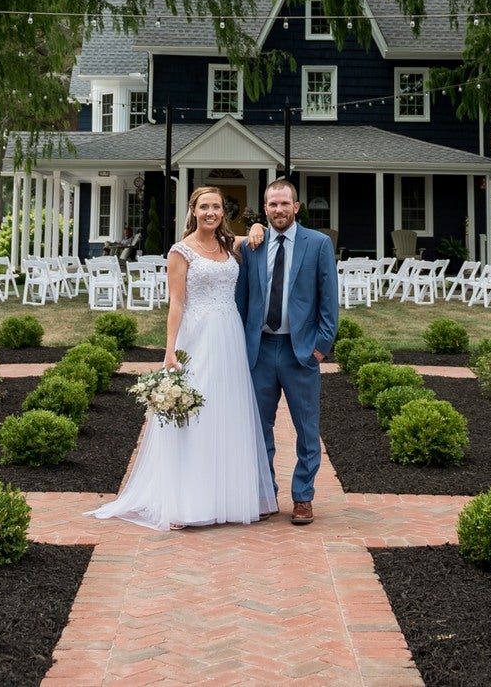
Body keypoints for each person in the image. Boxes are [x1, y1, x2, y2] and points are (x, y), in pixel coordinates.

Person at [86, 187, 277, 530]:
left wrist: (260, 225)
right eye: (204, 206)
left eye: (216, 207)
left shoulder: (228, 245)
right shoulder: (181, 251)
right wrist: (169, 349)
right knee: (194, 414)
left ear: (223, 212)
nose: (210, 212)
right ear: (193, 210)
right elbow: (176, 302)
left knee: (227, 411)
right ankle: (185, 502)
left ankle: (226, 498)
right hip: (197, 336)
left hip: (229, 336)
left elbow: (253, 237)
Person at [237, 179, 340, 525]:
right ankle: (266, 495)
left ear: (296, 207)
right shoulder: (252, 247)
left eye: (285, 203)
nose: (278, 210)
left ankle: (303, 497)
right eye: (272, 204)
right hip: (261, 350)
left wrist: (320, 350)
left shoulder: (318, 244)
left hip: (301, 353)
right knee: (258, 429)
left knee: (307, 430)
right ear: (264, 209)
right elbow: (242, 299)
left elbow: (329, 302)